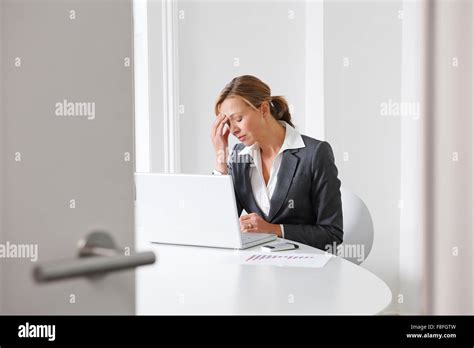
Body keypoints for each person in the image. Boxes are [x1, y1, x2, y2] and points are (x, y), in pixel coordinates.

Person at [210, 75, 343, 251]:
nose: (233, 130)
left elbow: (332, 234)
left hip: (305, 268)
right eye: (228, 122)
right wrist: (221, 157)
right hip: (258, 265)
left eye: (239, 119)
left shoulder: (315, 154)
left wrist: (274, 230)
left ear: (264, 109)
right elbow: (217, 225)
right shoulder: (239, 157)